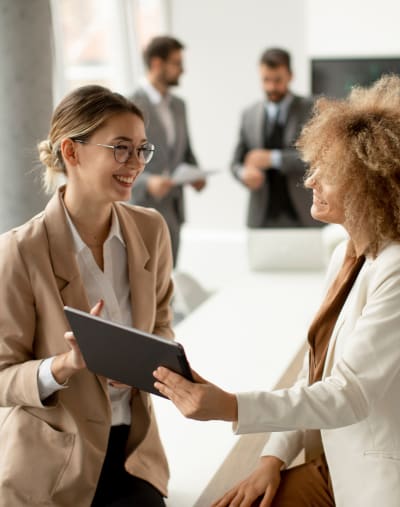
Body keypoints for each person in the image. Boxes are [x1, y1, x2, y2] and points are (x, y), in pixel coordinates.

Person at [153, 74, 400, 507]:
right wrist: (271, 457)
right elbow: (314, 373)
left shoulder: (395, 270)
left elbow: (350, 393)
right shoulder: (346, 253)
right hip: (331, 460)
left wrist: (230, 406)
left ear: (371, 184)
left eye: (329, 171)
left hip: (373, 472)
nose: (310, 181)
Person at [0, 85, 174, 506]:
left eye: (141, 149)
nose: (134, 163)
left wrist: (141, 361)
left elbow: (164, 327)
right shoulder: (20, 251)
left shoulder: (151, 231)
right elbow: (2, 374)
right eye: (119, 148)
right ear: (72, 153)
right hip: (52, 465)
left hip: (135, 454)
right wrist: (65, 365)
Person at [129, 35, 206, 266]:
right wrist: (147, 181)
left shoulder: (179, 106)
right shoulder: (129, 104)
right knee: (144, 281)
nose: (183, 70)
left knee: (169, 279)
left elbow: (185, 151)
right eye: (177, 63)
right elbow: (118, 160)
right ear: (156, 64)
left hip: (174, 209)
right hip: (142, 208)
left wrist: (196, 173)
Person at [231, 47, 321, 229]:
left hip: (303, 215)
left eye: (278, 80)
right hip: (261, 218)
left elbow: (317, 158)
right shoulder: (248, 114)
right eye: (266, 80)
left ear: (290, 75)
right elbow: (235, 163)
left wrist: (272, 159)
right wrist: (243, 174)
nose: (271, 87)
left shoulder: (312, 109)